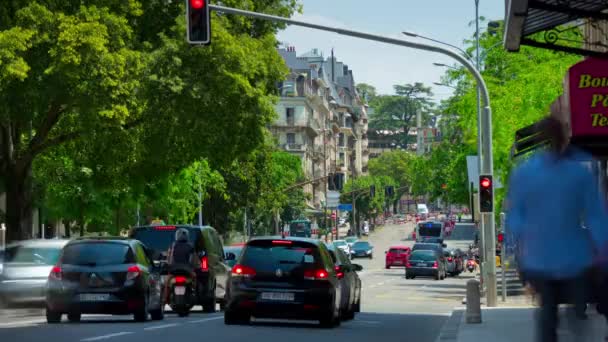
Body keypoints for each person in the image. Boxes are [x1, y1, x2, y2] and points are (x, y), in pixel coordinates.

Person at [505, 117, 608, 342]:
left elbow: (515, 218)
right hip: (575, 259)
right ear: (564, 137)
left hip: (541, 258)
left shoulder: (525, 173)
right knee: (575, 312)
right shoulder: (580, 171)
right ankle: (574, 320)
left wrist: (520, 252)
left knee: (548, 315)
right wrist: (602, 252)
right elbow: (595, 216)